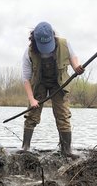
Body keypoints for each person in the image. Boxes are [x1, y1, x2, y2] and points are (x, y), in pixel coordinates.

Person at [21, 21, 84, 158]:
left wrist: (77, 68)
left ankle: (66, 150)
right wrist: (32, 100)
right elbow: (26, 78)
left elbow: (74, 59)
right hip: (39, 83)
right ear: (35, 40)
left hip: (59, 83)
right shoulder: (29, 52)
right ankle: (25, 147)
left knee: (63, 115)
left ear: (53, 37)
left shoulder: (64, 44)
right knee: (32, 114)